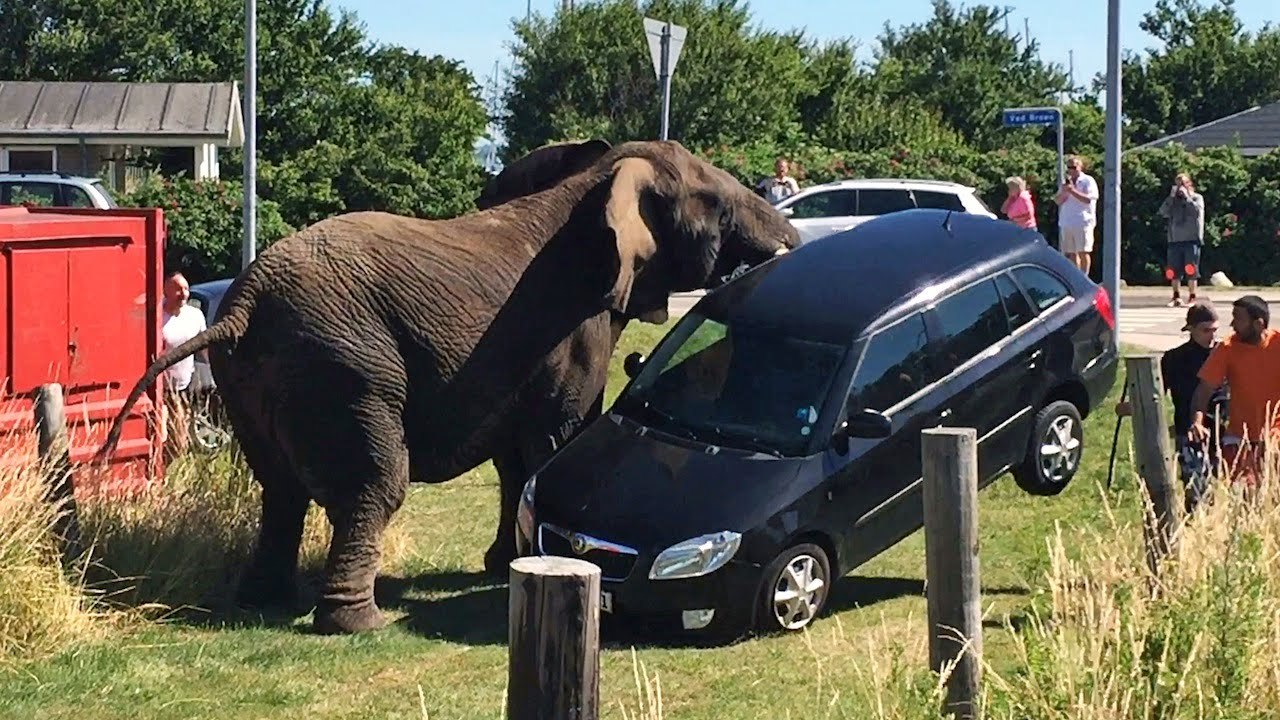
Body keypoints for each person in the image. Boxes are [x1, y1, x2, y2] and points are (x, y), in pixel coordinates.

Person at [1115, 301, 1227, 513]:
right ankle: (1198, 526)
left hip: (1224, 428)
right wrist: (1134, 407)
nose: (1211, 336)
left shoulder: (1223, 353)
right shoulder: (1175, 358)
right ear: (1191, 329)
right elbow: (1158, 394)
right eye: (1205, 330)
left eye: (1214, 330)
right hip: (1189, 430)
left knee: (1229, 485)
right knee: (1196, 489)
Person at [1188, 295, 1280, 491]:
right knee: (1245, 496)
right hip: (1240, 438)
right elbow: (1204, 390)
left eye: (1238, 318)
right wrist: (1197, 421)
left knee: (1273, 496)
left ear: (1258, 324)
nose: (1232, 324)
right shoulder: (1228, 348)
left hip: (1275, 436)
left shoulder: (1277, 344)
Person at [160, 270, 207, 458]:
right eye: (178, 289)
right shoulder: (157, 318)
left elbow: (205, 348)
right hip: (159, 392)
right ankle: (154, 478)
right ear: (166, 291)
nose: (184, 294)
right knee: (160, 438)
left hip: (183, 389)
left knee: (179, 443)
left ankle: (160, 476)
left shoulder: (195, 316)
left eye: (186, 289)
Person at [1158, 172, 1206, 307]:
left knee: (1191, 269)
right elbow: (1162, 212)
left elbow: (1197, 212)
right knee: (1173, 270)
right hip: (1174, 240)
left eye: (1183, 183)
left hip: (1191, 239)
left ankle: (1192, 297)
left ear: (1189, 184)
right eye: (1177, 184)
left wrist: (1187, 197)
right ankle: (1176, 296)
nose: (1180, 187)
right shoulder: (1173, 202)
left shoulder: (1197, 198)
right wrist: (1171, 198)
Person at [1053, 156, 1100, 276]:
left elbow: (1088, 199)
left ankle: (1085, 276)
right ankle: (1076, 276)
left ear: (1080, 167)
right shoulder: (1066, 183)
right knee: (1071, 253)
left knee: (1083, 251)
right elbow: (1058, 201)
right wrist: (1064, 191)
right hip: (1067, 221)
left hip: (1083, 221)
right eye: (1069, 168)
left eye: (1074, 167)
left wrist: (1072, 190)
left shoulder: (1088, 181)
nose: (1071, 170)